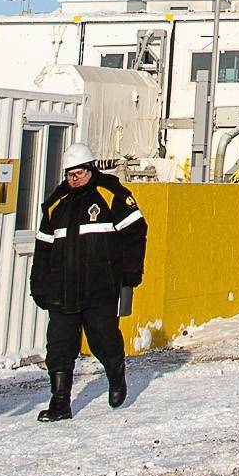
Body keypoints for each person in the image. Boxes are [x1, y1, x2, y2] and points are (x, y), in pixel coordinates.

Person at [28, 144, 147, 420]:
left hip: (100, 287)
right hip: (62, 289)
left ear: (91, 169)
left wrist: (131, 272)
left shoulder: (111, 194)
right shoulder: (55, 203)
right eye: (70, 174)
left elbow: (136, 233)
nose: (74, 179)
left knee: (103, 339)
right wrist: (39, 284)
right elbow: (43, 248)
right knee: (59, 346)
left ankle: (116, 375)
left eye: (79, 173)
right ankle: (60, 403)